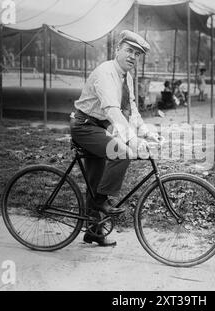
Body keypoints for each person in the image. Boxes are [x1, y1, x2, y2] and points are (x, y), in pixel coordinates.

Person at [70, 30, 162, 247]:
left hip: (99, 127)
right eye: (129, 50)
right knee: (122, 152)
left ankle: (94, 232)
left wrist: (145, 131)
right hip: (85, 126)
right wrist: (131, 139)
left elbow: (131, 108)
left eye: (137, 54)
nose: (132, 56)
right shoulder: (105, 73)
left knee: (95, 182)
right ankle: (102, 202)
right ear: (117, 50)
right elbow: (112, 110)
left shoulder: (126, 76)